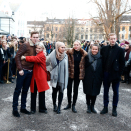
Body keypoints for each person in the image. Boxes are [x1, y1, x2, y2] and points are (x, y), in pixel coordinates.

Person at [12, 31, 39, 117]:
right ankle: (15, 109)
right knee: (18, 90)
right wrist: (20, 69)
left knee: (25, 90)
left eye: (37, 37)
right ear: (30, 37)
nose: (35, 39)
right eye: (34, 37)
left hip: (30, 71)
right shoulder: (25, 45)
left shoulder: (37, 46)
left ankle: (23, 108)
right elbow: (17, 56)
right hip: (23, 70)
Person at [21, 42, 49, 114]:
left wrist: (25, 57)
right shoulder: (38, 53)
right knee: (33, 93)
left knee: (41, 93)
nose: (37, 49)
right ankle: (35, 108)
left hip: (40, 76)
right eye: (36, 48)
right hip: (35, 76)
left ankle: (40, 108)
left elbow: (35, 59)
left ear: (42, 49)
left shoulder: (42, 55)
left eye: (39, 48)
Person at [100, 33, 125, 117]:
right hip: (106, 73)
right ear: (108, 39)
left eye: (114, 39)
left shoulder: (120, 50)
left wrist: (119, 74)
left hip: (115, 74)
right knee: (105, 91)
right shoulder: (104, 49)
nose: (112, 40)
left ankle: (114, 108)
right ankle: (105, 107)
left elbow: (122, 63)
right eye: (111, 39)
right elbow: (102, 61)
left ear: (116, 39)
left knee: (116, 92)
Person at [64, 40, 87, 113]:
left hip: (78, 74)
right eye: (74, 45)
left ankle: (74, 105)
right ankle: (69, 104)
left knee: (75, 90)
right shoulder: (69, 53)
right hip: (70, 73)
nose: (76, 46)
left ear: (80, 45)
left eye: (77, 45)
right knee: (69, 89)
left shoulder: (84, 54)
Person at [46, 42, 68, 114]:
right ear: (58, 47)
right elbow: (46, 63)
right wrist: (51, 70)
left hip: (62, 77)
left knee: (61, 92)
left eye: (64, 47)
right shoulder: (52, 55)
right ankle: (54, 105)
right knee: (54, 92)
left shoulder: (65, 56)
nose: (63, 49)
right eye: (62, 47)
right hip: (54, 77)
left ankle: (59, 107)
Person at [83, 44, 102, 114]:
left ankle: (92, 106)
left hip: (97, 77)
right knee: (88, 92)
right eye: (93, 49)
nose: (94, 50)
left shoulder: (101, 58)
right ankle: (88, 106)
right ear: (91, 49)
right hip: (88, 77)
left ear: (98, 50)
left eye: (96, 49)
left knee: (95, 92)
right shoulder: (87, 57)